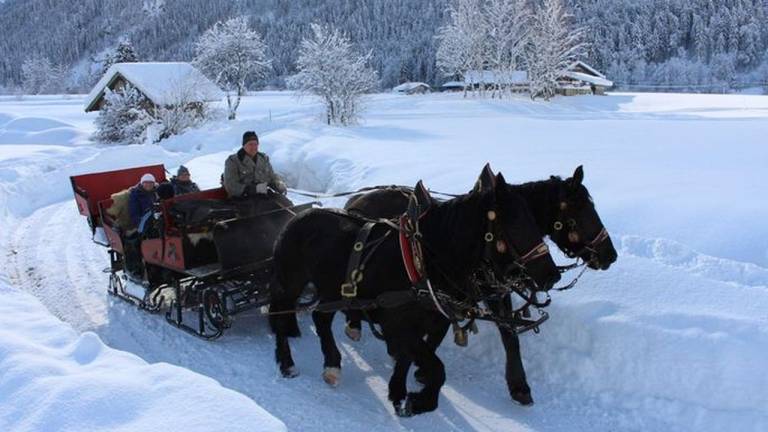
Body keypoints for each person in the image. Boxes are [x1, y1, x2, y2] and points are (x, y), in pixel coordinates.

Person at [223, 131, 287, 199]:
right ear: (244, 145)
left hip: (263, 195)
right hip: (243, 199)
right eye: (250, 144)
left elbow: (272, 176)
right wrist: (253, 189)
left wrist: (278, 184)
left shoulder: (263, 159)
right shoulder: (233, 161)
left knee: (285, 203)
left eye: (255, 144)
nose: (253, 147)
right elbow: (231, 186)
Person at [125, 173, 158, 279]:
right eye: (146, 182)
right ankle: (135, 270)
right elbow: (134, 213)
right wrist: (143, 225)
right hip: (143, 222)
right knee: (134, 241)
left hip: (158, 220)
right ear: (142, 183)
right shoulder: (135, 194)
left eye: (150, 183)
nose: (148, 185)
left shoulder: (157, 192)